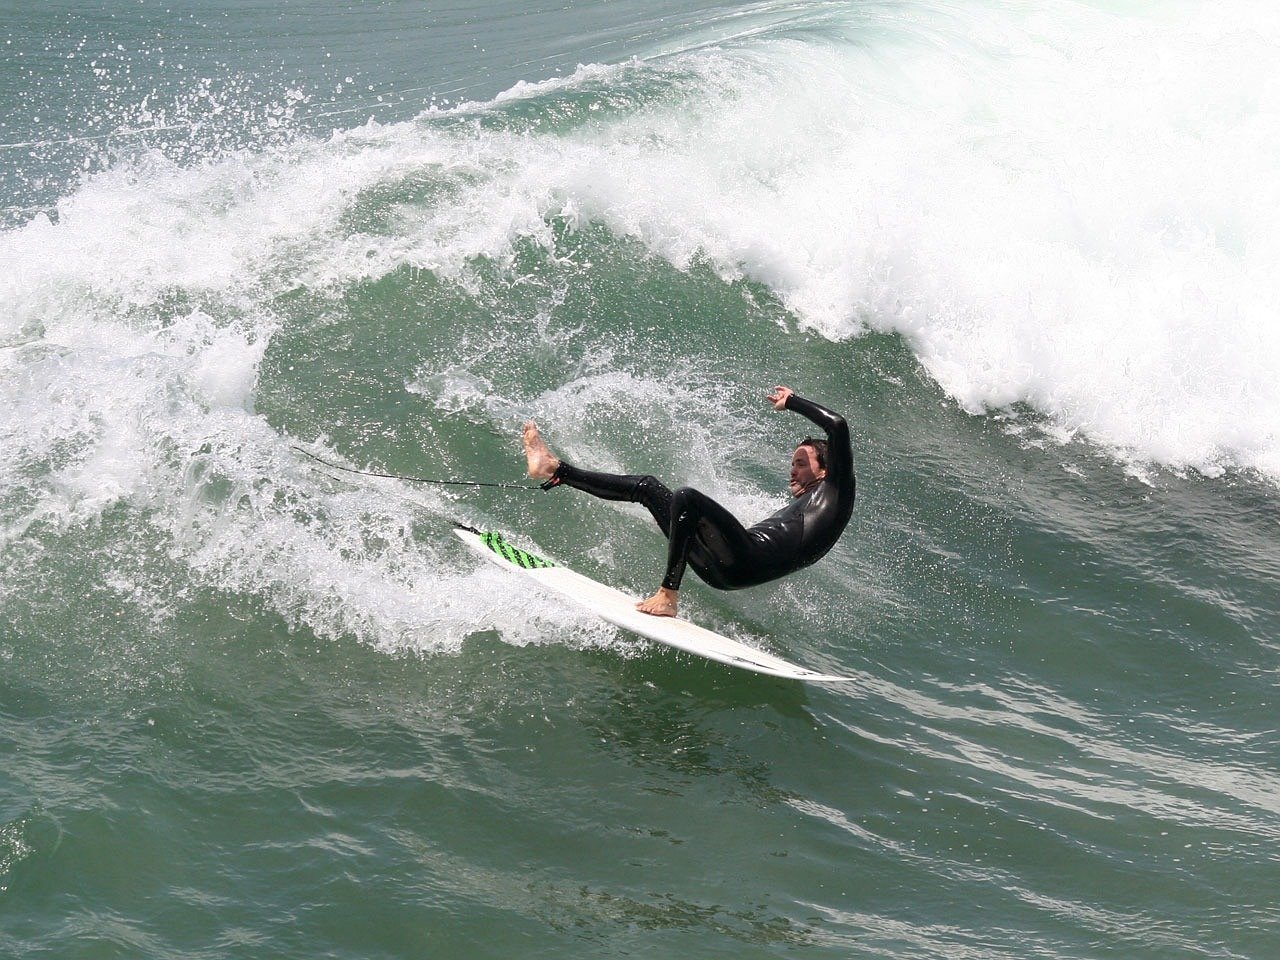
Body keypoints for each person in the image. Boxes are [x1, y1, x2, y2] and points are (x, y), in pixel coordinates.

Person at [522, 385, 855, 617]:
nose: (792, 470)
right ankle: (555, 469)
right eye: (792, 462)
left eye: (801, 462)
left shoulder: (836, 491)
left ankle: (668, 594)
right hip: (723, 571)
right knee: (648, 487)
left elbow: (837, 426)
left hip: (745, 560)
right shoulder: (810, 505)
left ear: (826, 471)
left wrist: (792, 401)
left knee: (688, 498)